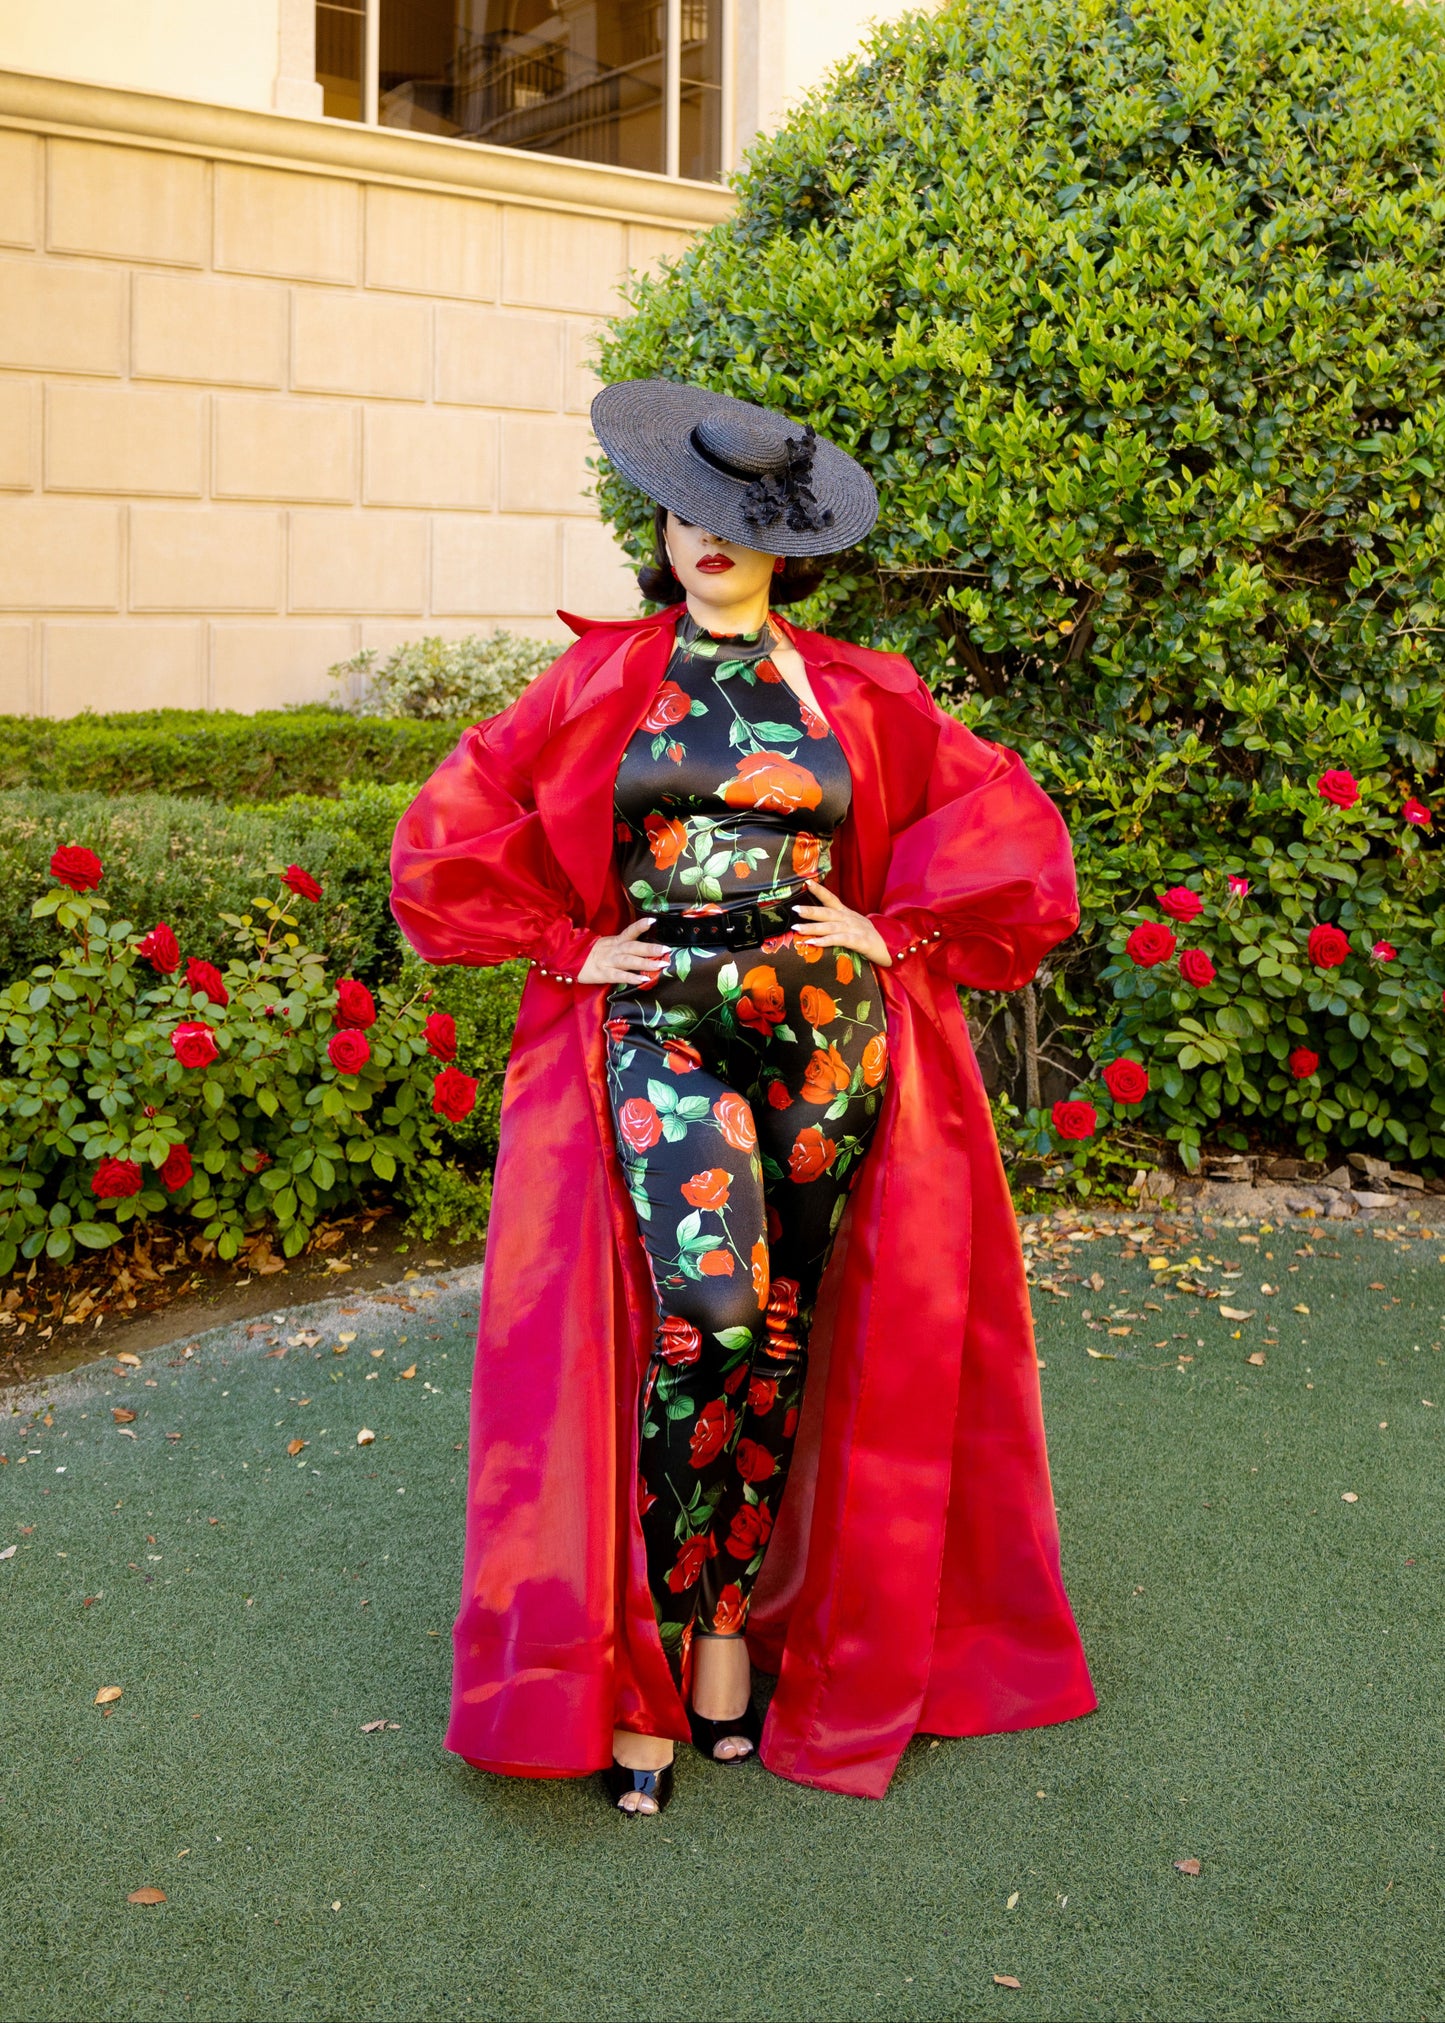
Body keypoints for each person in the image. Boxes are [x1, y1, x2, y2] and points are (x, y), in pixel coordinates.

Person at [390, 380, 1095, 1816]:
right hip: (660, 1029)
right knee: (702, 1315)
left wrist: (896, 936)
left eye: (740, 518)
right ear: (660, 527)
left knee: (783, 1332)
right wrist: (563, 947)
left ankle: (725, 1633)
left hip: (830, 1039)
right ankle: (638, 1665)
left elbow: (1007, 833)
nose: (708, 537)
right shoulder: (599, 681)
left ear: (786, 542)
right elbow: (450, 831)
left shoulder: (857, 690)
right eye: (687, 511)